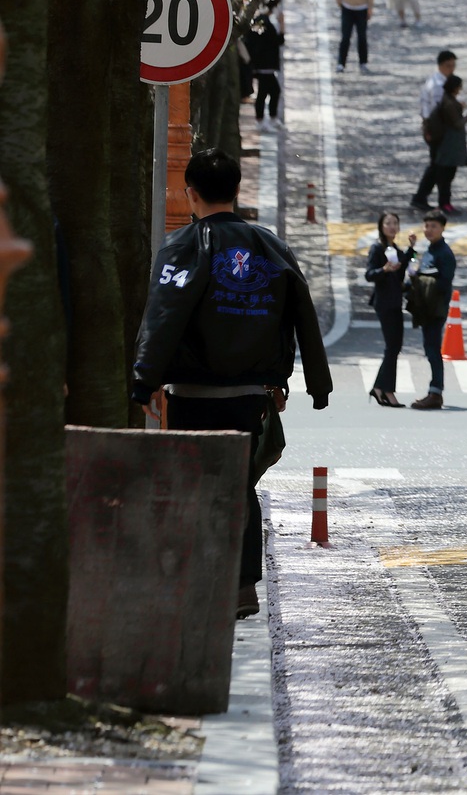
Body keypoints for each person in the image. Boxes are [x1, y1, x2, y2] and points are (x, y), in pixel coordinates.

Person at [130, 149, 331, 619]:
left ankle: (192, 581)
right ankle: (242, 587)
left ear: (190, 193)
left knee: (190, 486)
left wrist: (143, 383)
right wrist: (310, 383)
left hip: (192, 395)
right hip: (250, 397)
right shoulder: (272, 247)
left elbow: (163, 317)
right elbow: (301, 316)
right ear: (237, 190)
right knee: (239, 486)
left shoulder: (182, 246)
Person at [364, 212, 417, 407]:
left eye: (395, 223)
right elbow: (369, 274)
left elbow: (404, 267)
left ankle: (379, 388)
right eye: (388, 223)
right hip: (384, 302)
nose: (392, 227)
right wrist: (384, 270)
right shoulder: (377, 248)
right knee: (392, 347)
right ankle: (387, 391)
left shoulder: (394, 248)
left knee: (395, 347)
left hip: (395, 301)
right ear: (381, 226)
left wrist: (412, 248)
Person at [406, 210, 456, 410]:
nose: (429, 230)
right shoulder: (430, 250)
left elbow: (444, 282)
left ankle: (436, 393)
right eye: (426, 226)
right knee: (429, 349)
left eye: (433, 226)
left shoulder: (444, 253)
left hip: (436, 308)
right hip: (426, 306)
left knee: (433, 350)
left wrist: (424, 279)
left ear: (442, 228)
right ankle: (434, 391)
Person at [413, 75, 467, 215]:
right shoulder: (449, 103)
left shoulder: (448, 100)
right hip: (447, 145)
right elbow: (457, 124)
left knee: (439, 172)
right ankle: (443, 203)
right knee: (445, 175)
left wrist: (460, 107)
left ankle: (423, 198)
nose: (461, 89)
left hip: (443, 143)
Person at [239, 9, 284, 122]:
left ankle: (268, 118)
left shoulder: (262, 21)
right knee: (269, 92)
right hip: (264, 66)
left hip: (263, 65)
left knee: (270, 92)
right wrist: (282, 25)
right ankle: (263, 119)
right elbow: (277, 40)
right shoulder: (263, 22)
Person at [330, 0, 373, 71]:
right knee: (345, 37)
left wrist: (370, 8)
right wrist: (338, 0)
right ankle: (341, 63)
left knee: (362, 37)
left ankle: (363, 62)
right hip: (347, 8)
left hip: (361, 9)